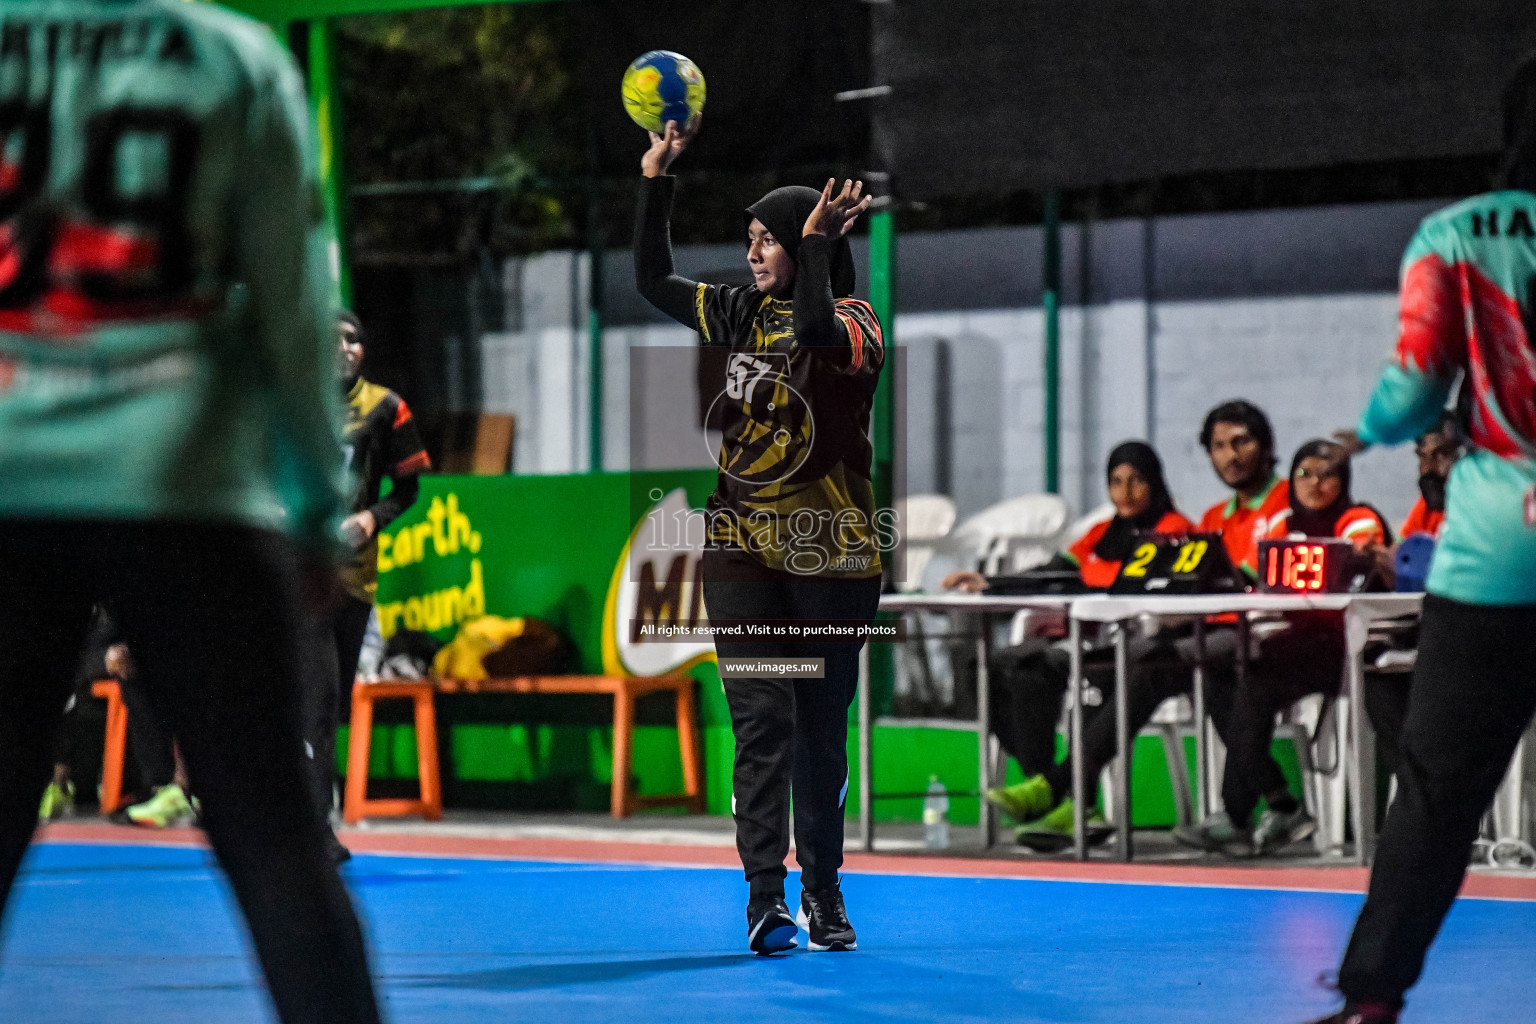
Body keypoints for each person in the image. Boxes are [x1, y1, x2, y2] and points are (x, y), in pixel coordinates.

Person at [0, 4, 381, 1022]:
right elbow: (295, 305)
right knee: (277, 845)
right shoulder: (231, 57)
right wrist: (312, 506)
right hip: (188, 489)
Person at [1298, 55, 1536, 1024]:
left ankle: (1372, 999)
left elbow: (1408, 394)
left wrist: (1376, 426)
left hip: (1493, 554)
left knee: (1438, 787)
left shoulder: (1455, 235)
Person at [635, 119, 884, 954]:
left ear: (804, 246)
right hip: (742, 551)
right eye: (747, 239)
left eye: (766, 240)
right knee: (761, 717)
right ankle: (764, 900)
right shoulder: (737, 311)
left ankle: (824, 891)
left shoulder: (858, 322)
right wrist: (656, 182)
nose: (751, 253)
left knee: (818, 726)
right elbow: (651, 279)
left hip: (830, 555)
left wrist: (814, 251)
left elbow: (816, 331)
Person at [948, 442, 1193, 842]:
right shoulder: (1100, 535)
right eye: (1115, 482)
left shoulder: (1172, 529)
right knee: (1002, 669)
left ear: (1155, 482)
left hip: (1137, 647)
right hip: (1080, 643)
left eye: (1136, 481)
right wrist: (990, 583)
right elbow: (1051, 572)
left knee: (1058, 673)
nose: (1125, 492)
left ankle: (1061, 797)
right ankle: (1053, 794)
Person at [1174, 440, 1390, 858]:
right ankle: (1255, 812)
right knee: (1231, 678)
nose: (1314, 483)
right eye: (1304, 473)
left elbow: (1360, 546)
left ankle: (1252, 813)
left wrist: (1359, 554)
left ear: (1342, 480)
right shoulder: (1282, 524)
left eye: (1326, 474)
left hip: (1349, 647)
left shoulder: (1357, 518)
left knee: (1249, 682)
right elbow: (1253, 577)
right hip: (1295, 641)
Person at [309, 308, 429, 861]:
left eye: (354, 340)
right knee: (310, 695)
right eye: (333, 339)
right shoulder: (292, 399)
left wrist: (371, 519)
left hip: (353, 579)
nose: (344, 348)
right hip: (293, 572)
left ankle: (314, 821)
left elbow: (409, 488)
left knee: (331, 703)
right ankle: (310, 828)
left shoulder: (386, 407)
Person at [1363, 413, 1464, 776]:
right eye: (1422, 457)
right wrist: (1386, 565)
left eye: (1442, 456)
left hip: (1484, 633)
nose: (1429, 469)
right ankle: (1416, 786)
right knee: (1374, 669)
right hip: (1431, 627)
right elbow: (1406, 573)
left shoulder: (1491, 511)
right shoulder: (1426, 509)